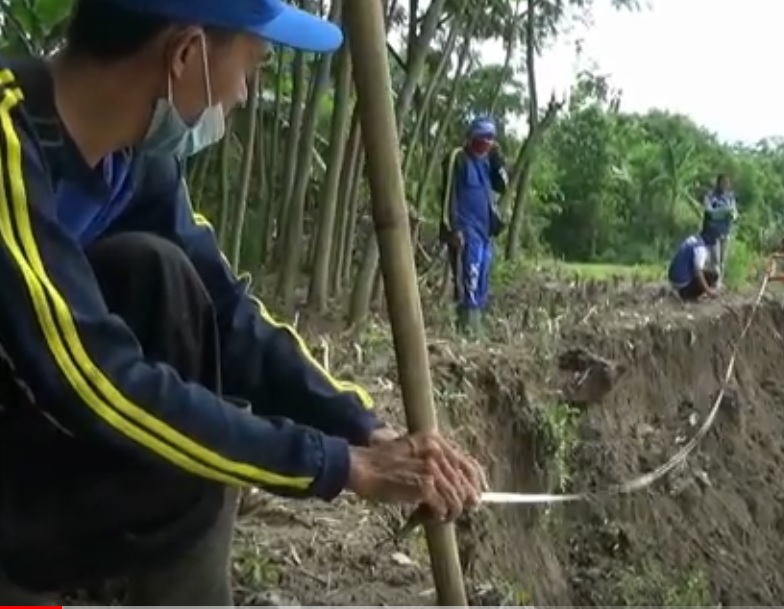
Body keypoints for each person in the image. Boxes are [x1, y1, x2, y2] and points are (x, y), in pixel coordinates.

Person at [0, 0, 485, 604]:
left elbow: (229, 313)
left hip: (35, 449)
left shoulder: (135, 164)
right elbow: (95, 377)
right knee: (187, 423)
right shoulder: (8, 142)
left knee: (164, 279)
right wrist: (335, 466)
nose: (248, 94)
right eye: (252, 65)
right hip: (32, 439)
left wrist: (362, 429)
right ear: (185, 55)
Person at [439, 116, 508, 337]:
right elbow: (447, 195)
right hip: (465, 230)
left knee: (482, 279)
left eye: (490, 140)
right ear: (470, 138)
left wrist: (499, 164)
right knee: (469, 278)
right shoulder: (457, 158)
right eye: (481, 139)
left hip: (484, 231)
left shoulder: (489, 161)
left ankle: (477, 330)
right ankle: (466, 330)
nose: (485, 144)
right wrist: (452, 229)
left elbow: (502, 186)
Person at [668, 228, 721, 301]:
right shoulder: (700, 248)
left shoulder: (692, 239)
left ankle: (678, 288)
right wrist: (708, 291)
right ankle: (687, 296)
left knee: (708, 273)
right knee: (713, 276)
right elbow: (698, 273)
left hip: (672, 280)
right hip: (683, 287)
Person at [701, 174, 737, 276]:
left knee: (722, 261)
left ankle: (719, 282)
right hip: (713, 231)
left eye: (727, 183)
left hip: (726, 232)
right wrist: (723, 211)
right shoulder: (710, 195)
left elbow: (735, 213)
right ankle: (714, 283)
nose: (725, 185)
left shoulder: (730, 197)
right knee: (715, 259)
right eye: (723, 182)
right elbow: (709, 211)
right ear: (718, 183)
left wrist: (732, 215)